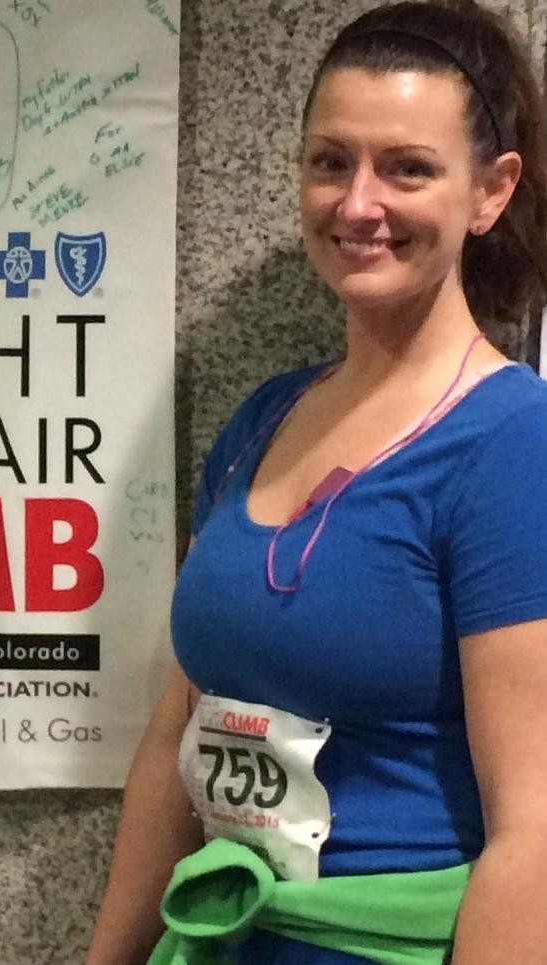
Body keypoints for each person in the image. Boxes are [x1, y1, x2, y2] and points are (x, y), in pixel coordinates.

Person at [86, 1, 547, 961]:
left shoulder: (513, 445)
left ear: (491, 191)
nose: (357, 203)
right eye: (331, 161)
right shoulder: (264, 418)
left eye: (407, 168)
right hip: (222, 934)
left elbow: (533, 834)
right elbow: (178, 735)